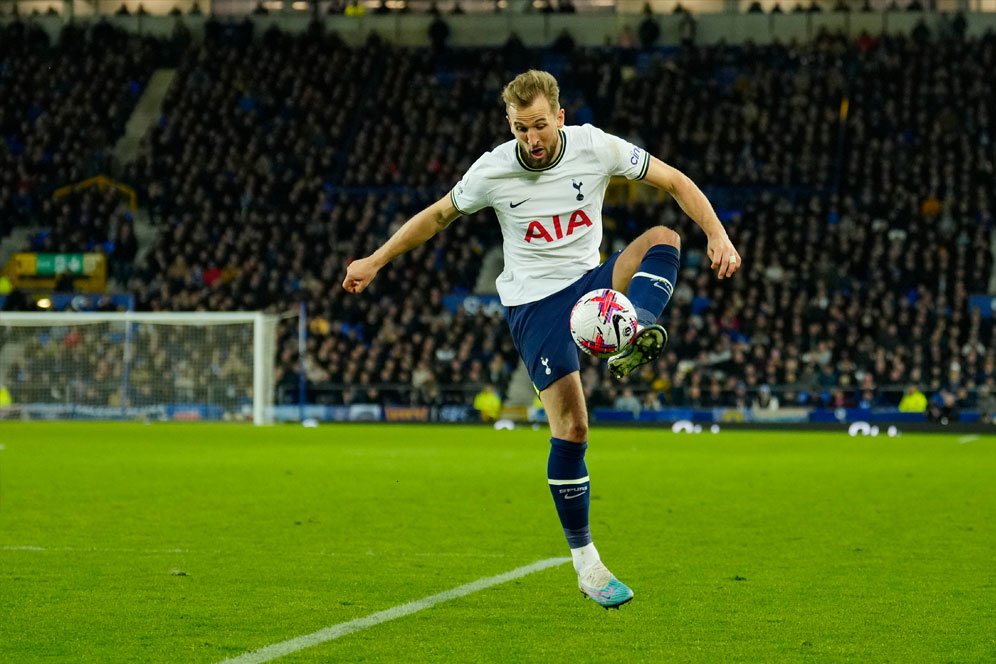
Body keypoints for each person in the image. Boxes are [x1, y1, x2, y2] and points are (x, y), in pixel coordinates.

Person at [343, 70, 741, 609]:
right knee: (573, 426)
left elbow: (673, 181)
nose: (530, 139)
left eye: (538, 126)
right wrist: (374, 260)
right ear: (509, 125)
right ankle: (587, 565)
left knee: (664, 238)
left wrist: (716, 233)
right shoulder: (493, 170)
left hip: (591, 282)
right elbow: (436, 216)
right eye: (519, 128)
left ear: (560, 115)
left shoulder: (595, 146)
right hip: (535, 304)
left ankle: (635, 328)